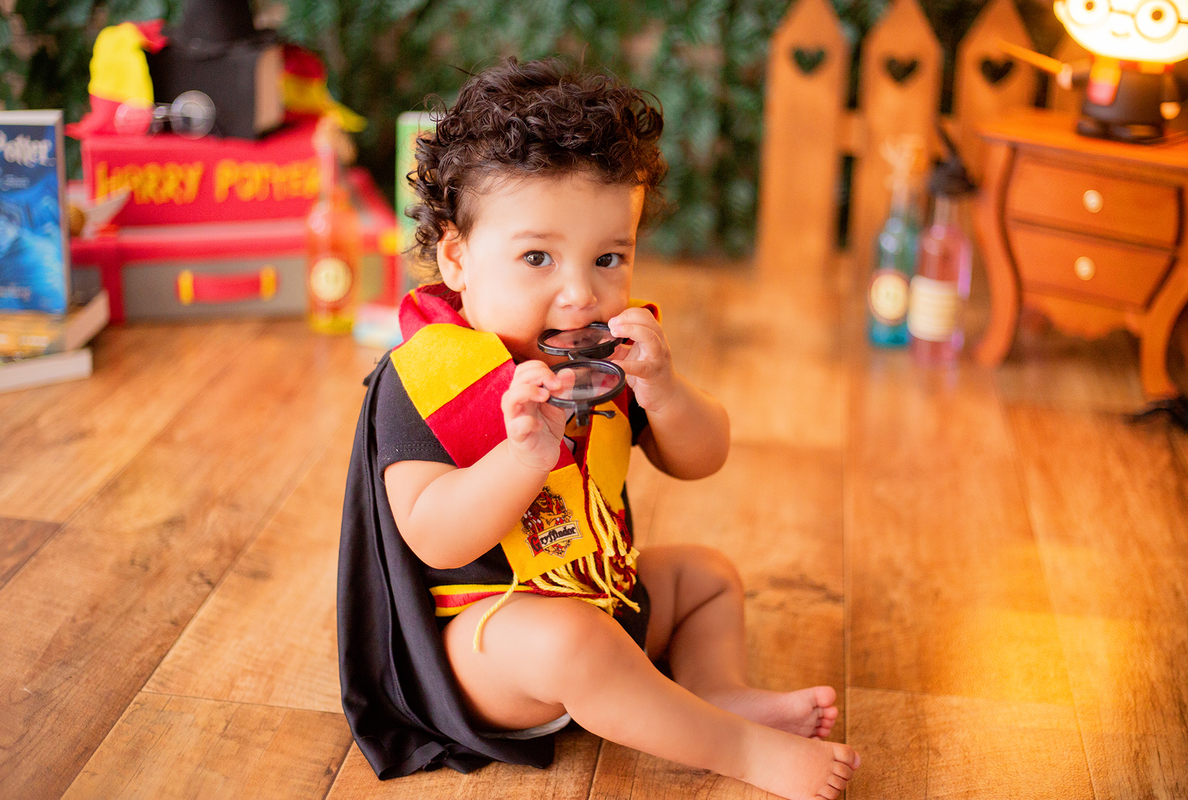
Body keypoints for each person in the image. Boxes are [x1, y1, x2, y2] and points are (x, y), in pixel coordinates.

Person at [338, 57, 860, 800]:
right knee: (570, 642)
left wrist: (665, 388)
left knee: (706, 577)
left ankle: (716, 691)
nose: (580, 293)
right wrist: (522, 457)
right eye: (537, 258)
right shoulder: (422, 379)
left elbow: (701, 457)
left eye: (609, 257)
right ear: (457, 258)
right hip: (486, 645)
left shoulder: (613, 356)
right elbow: (433, 534)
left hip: (600, 592)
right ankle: (734, 748)